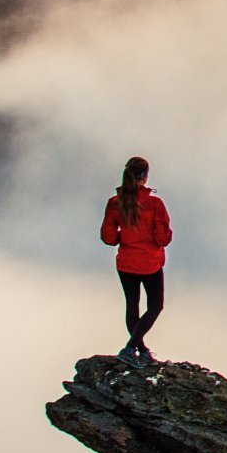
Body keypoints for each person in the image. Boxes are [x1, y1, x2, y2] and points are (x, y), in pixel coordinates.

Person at [101, 156, 172, 364]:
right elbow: (163, 238)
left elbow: (108, 237)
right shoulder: (154, 204)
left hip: (126, 262)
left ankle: (138, 350)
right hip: (150, 263)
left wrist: (126, 237)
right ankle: (132, 348)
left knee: (132, 305)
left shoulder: (116, 203)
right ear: (145, 176)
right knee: (155, 305)